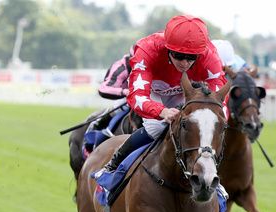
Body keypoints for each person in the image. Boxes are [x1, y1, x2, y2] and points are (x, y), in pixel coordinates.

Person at [96, 15, 227, 175]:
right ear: (167, 48)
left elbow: (219, 100)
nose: (185, 63)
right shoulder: (147, 49)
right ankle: (114, 164)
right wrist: (161, 111)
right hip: (152, 91)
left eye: (191, 58)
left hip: (183, 91)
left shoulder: (210, 56)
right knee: (156, 127)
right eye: (178, 56)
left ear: (200, 53)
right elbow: (137, 97)